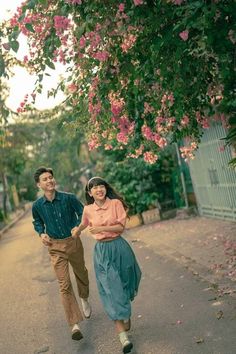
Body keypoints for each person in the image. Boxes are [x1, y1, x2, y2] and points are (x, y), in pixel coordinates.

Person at [71, 177, 141, 353]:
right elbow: (84, 224)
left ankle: (126, 312)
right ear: (89, 193)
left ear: (105, 188)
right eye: (94, 188)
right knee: (111, 290)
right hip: (102, 253)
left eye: (101, 186)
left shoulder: (115, 203)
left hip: (120, 247)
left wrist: (102, 229)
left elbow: (120, 228)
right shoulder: (88, 209)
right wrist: (77, 231)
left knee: (126, 284)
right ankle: (123, 338)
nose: (98, 189)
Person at [32, 166, 91, 341]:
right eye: (45, 179)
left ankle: (84, 297)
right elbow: (37, 222)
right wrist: (41, 233)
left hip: (72, 241)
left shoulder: (69, 198)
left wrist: (78, 227)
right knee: (64, 284)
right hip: (55, 247)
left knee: (82, 273)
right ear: (38, 185)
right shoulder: (37, 206)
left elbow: (83, 213)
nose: (49, 181)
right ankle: (74, 324)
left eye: (50, 177)